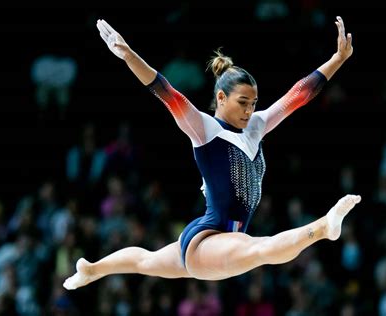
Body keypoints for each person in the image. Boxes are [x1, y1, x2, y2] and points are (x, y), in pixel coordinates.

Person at [63, 15, 360, 289]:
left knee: (145, 261)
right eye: (242, 102)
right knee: (260, 249)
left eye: (253, 103)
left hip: (215, 239)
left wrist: (337, 59)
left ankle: (93, 269)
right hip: (210, 239)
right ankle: (323, 228)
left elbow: (299, 95)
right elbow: (165, 91)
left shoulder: (256, 127)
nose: (249, 110)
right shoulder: (205, 130)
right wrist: (129, 55)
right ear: (221, 98)